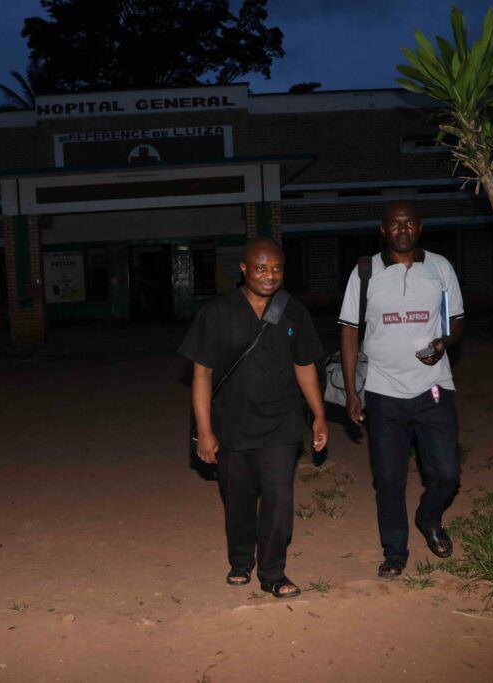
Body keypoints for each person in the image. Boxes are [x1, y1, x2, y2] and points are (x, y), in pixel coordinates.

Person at [179, 237, 328, 598]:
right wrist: (205, 430)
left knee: (279, 495)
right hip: (232, 425)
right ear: (244, 269)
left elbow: (305, 365)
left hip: (281, 423)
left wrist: (319, 416)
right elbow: (202, 375)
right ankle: (241, 559)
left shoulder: (293, 311)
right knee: (239, 498)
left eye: (276, 268)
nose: (269, 276)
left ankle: (273, 572)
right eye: (260, 268)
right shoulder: (217, 313)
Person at [337, 201, 465, 578]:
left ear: (420, 228)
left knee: (447, 474)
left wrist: (443, 343)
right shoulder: (365, 272)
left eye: (409, 223)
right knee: (389, 479)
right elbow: (348, 331)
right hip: (382, 390)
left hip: (433, 387)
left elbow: (456, 320)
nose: (402, 229)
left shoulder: (440, 268)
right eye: (395, 224)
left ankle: (429, 517)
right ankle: (395, 552)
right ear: (383, 230)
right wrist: (351, 391)